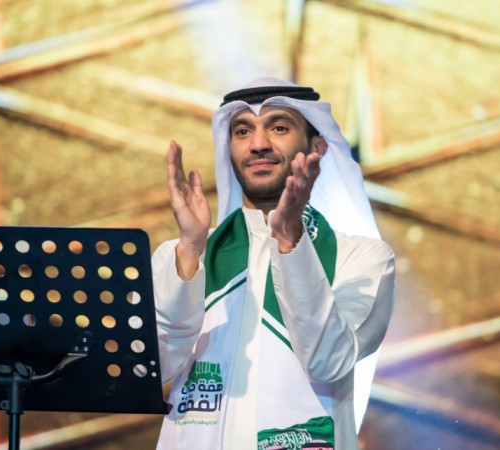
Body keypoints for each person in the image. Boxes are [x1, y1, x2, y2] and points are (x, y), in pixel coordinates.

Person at [152, 77, 396, 450]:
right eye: (242, 131)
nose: (258, 144)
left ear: (317, 146)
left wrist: (290, 241)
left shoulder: (363, 260)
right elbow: (154, 368)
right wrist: (189, 250)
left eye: (279, 128)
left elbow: (327, 363)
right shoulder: (180, 256)